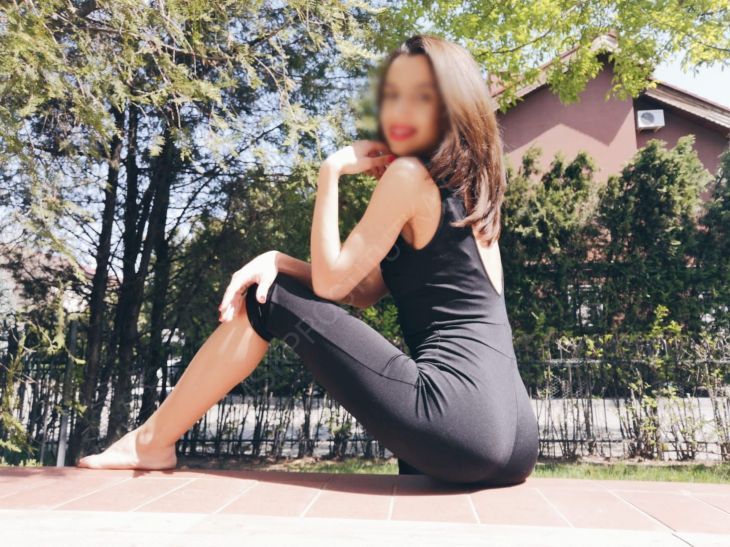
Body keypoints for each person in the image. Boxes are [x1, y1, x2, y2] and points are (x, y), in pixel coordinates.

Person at [77, 34, 539, 487]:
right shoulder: (471, 191)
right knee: (275, 282)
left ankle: (152, 442)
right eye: (392, 95)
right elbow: (361, 290)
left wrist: (330, 173)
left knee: (268, 298)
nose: (399, 111)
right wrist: (280, 259)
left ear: (452, 106)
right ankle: (152, 440)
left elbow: (333, 284)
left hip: (457, 417)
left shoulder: (409, 175)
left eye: (421, 96)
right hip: (515, 439)